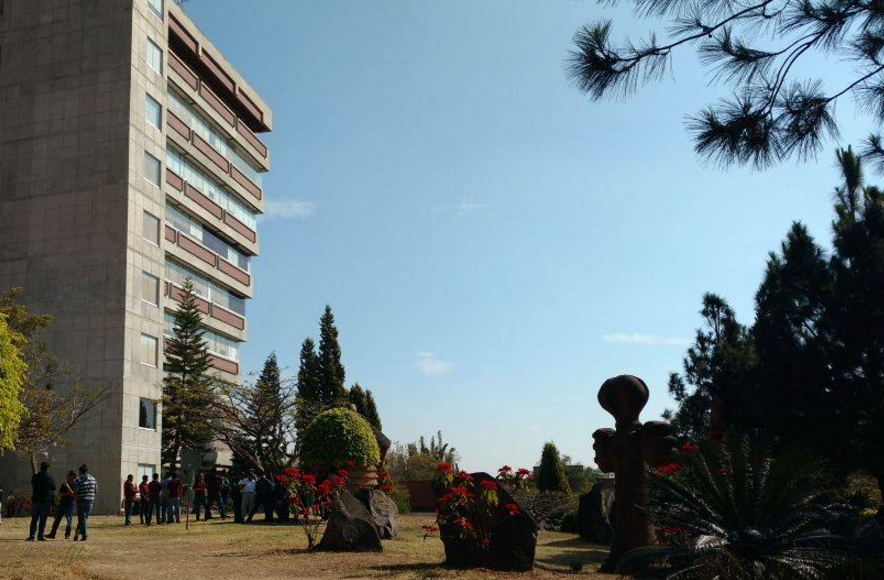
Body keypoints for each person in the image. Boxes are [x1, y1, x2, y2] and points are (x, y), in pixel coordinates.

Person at [27, 461, 56, 541]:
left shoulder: (35, 477)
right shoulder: (49, 477)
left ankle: (32, 535)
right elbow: (54, 487)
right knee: (43, 519)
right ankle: (40, 536)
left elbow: (33, 484)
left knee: (34, 519)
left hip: (36, 500)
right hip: (45, 501)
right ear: (47, 468)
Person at [46, 471, 76, 540]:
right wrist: (69, 493)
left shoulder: (75, 484)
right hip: (62, 504)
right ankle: (52, 534)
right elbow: (60, 493)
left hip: (69, 505)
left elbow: (73, 494)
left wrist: (67, 488)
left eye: (68, 476)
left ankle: (67, 534)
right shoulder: (64, 484)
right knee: (57, 520)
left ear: (72, 476)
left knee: (69, 520)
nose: (67, 477)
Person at [72, 464, 98, 541]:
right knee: (83, 518)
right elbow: (96, 490)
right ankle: (77, 532)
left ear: (80, 471)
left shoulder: (78, 479)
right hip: (90, 501)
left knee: (82, 518)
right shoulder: (93, 479)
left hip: (81, 500)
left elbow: (76, 491)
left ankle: (84, 535)